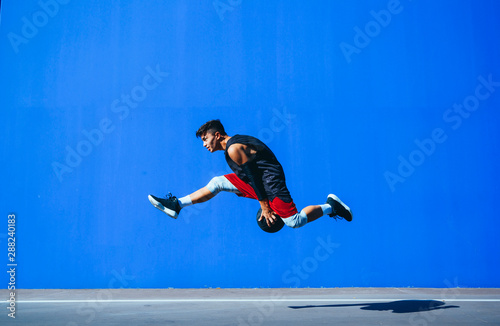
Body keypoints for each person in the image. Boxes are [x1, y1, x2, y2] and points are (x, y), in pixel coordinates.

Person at [148, 119, 352, 228]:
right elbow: (253, 174)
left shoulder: (233, 148)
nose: (204, 144)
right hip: (261, 181)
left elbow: (255, 176)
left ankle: (330, 206)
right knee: (217, 182)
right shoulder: (234, 145)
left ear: (217, 135)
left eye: (205, 139)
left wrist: (265, 206)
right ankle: (177, 204)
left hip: (271, 183)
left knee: (294, 222)